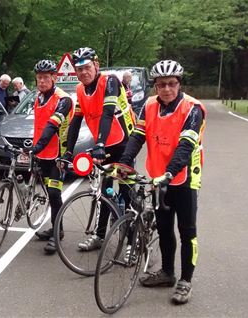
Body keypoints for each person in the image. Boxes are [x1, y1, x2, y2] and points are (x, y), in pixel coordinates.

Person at [118, 59, 206, 305]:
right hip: (159, 178)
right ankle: (167, 273)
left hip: (185, 178)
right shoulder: (148, 105)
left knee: (187, 231)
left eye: (171, 84)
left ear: (179, 84)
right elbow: (138, 135)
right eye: (161, 84)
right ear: (154, 86)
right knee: (165, 228)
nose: (166, 89)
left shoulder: (192, 109)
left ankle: (185, 281)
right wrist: (125, 162)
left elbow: (186, 146)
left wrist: (169, 172)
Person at [62, 47, 135, 251]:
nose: (83, 72)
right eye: (79, 69)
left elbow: (108, 113)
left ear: (96, 65)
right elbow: (76, 122)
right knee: (105, 192)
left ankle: (132, 241)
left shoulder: (110, 81)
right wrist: (68, 151)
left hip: (124, 144)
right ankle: (100, 235)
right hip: (105, 146)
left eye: (86, 67)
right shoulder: (79, 90)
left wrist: (100, 144)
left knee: (126, 192)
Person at [22, 60, 73, 254]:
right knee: (49, 193)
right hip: (42, 152)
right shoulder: (38, 98)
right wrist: (33, 147)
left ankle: (57, 232)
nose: (42, 81)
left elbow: (52, 126)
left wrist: (38, 146)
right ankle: (55, 227)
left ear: (54, 77)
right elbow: (38, 126)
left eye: (46, 77)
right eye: (39, 78)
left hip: (58, 154)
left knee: (54, 193)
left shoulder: (63, 99)